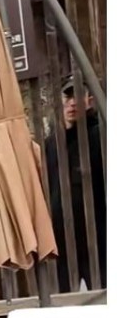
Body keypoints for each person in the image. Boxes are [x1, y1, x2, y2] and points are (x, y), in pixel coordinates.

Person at [45, 76, 106, 291]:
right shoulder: (51, 144)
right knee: (62, 302)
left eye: (78, 96)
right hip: (61, 240)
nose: (72, 102)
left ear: (89, 101)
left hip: (98, 238)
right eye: (68, 96)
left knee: (104, 298)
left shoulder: (101, 136)